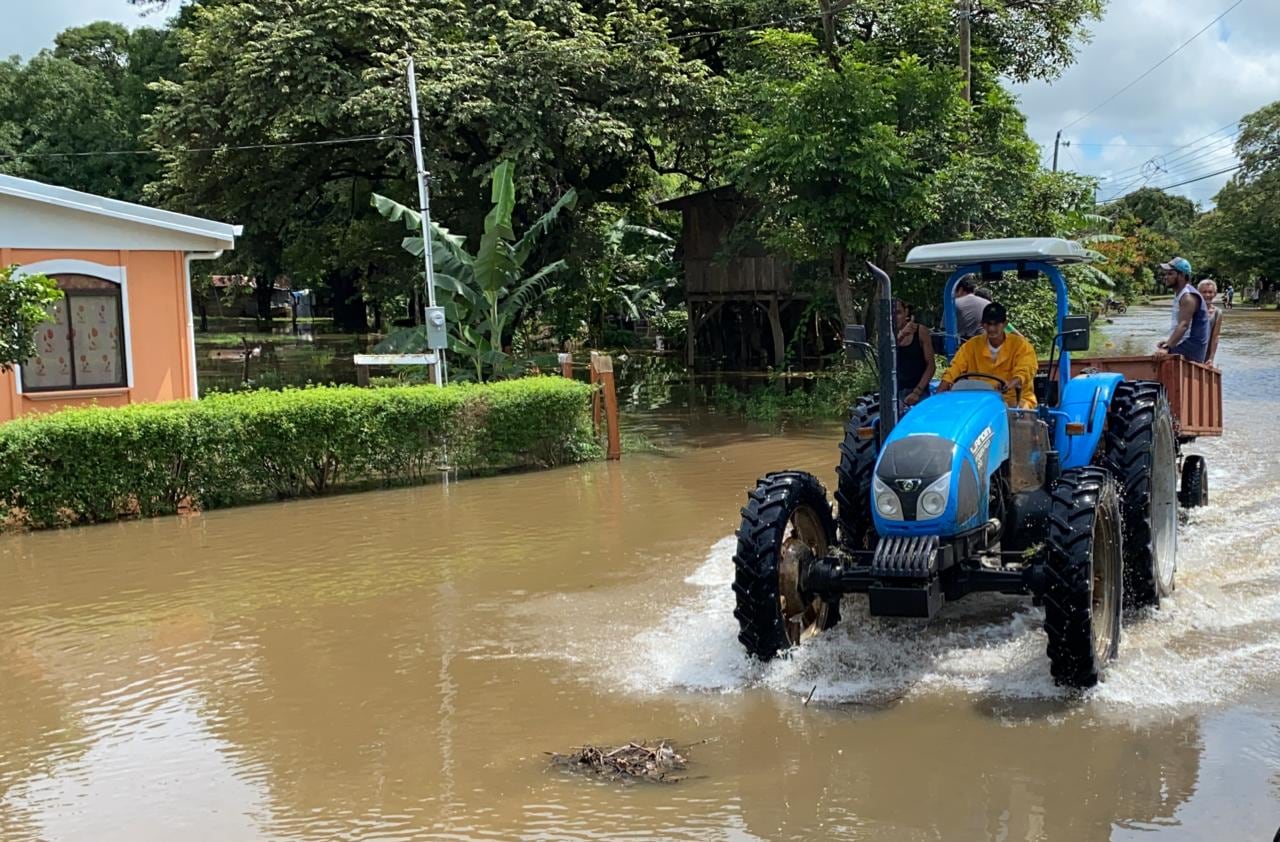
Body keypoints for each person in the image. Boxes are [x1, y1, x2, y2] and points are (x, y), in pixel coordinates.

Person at [937, 302, 1038, 409]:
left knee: (1022, 416)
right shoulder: (971, 345)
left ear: (1005, 324)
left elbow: (1025, 369)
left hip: (1014, 398)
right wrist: (940, 392)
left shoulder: (1021, 345)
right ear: (982, 324)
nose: (992, 328)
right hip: (980, 400)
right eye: (988, 324)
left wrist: (1011, 383)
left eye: (996, 324)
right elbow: (955, 368)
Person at [1155, 257, 1209, 363]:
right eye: (1166, 274)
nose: (1166, 277)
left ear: (1182, 276)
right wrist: (1168, 342)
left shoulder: (1187, 296)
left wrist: (1167, 347)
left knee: (1157, 359)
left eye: (1170, 274)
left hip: (1191, 348)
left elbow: (1183, 325)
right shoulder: (1181, 294)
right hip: (1189, 346)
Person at [893, 299, 935, 408]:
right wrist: (901, 336)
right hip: (894, 392)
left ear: (906, 312)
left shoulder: (921, 331)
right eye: (891, 314)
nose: (895, 317)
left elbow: (931, 365)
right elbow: (885, 361)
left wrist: (917, 392)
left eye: (898, 313)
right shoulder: (885, 334)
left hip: (918, 390)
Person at [954, 276, 990, 340]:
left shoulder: (953, 305)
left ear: (960, 290)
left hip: (961, 347)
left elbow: (945, 331)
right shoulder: (988, 304)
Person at [1197, 279, 1224, 366]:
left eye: (1210, 292)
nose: (1207, 295)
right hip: (1190, 351)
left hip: (1205, 355)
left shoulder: (1217, 313)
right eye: (1204, 292)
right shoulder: (1193, 309)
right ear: (1198, 293)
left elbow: (1215, 336)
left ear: (1215, 294)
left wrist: (1211, 358)